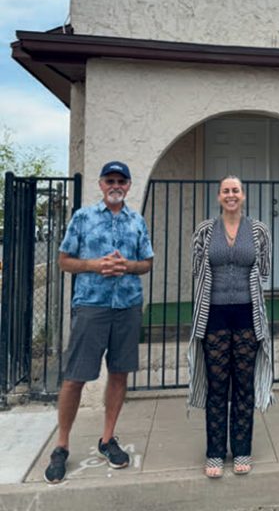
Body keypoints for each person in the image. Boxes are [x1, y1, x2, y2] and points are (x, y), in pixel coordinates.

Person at [44, 161, 154, 484]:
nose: (115, 185)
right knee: (75, 376)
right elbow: (64, 260)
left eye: (121, 180)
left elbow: (147, 262)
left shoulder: (137, 221)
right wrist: (94, 264)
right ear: (101, 184)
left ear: (129, 185)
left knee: (119, 373)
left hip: (128, 307)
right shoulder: (83, 217)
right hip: (91, 306)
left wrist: (128, 266)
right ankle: (61, 445)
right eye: (110, 180)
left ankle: (107, 439)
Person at [187, 175, 273, 478]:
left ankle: (242, 450)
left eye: (235, 190)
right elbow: (197, 270)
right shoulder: (205, 230)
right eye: (226, 191)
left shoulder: (259, 230)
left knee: (244, 386)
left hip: (248, 315)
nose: (231, 195)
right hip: (215, 316)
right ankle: (214, 453)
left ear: (244, 195)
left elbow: (263, 270)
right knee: (217, 385)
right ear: (219, 196)